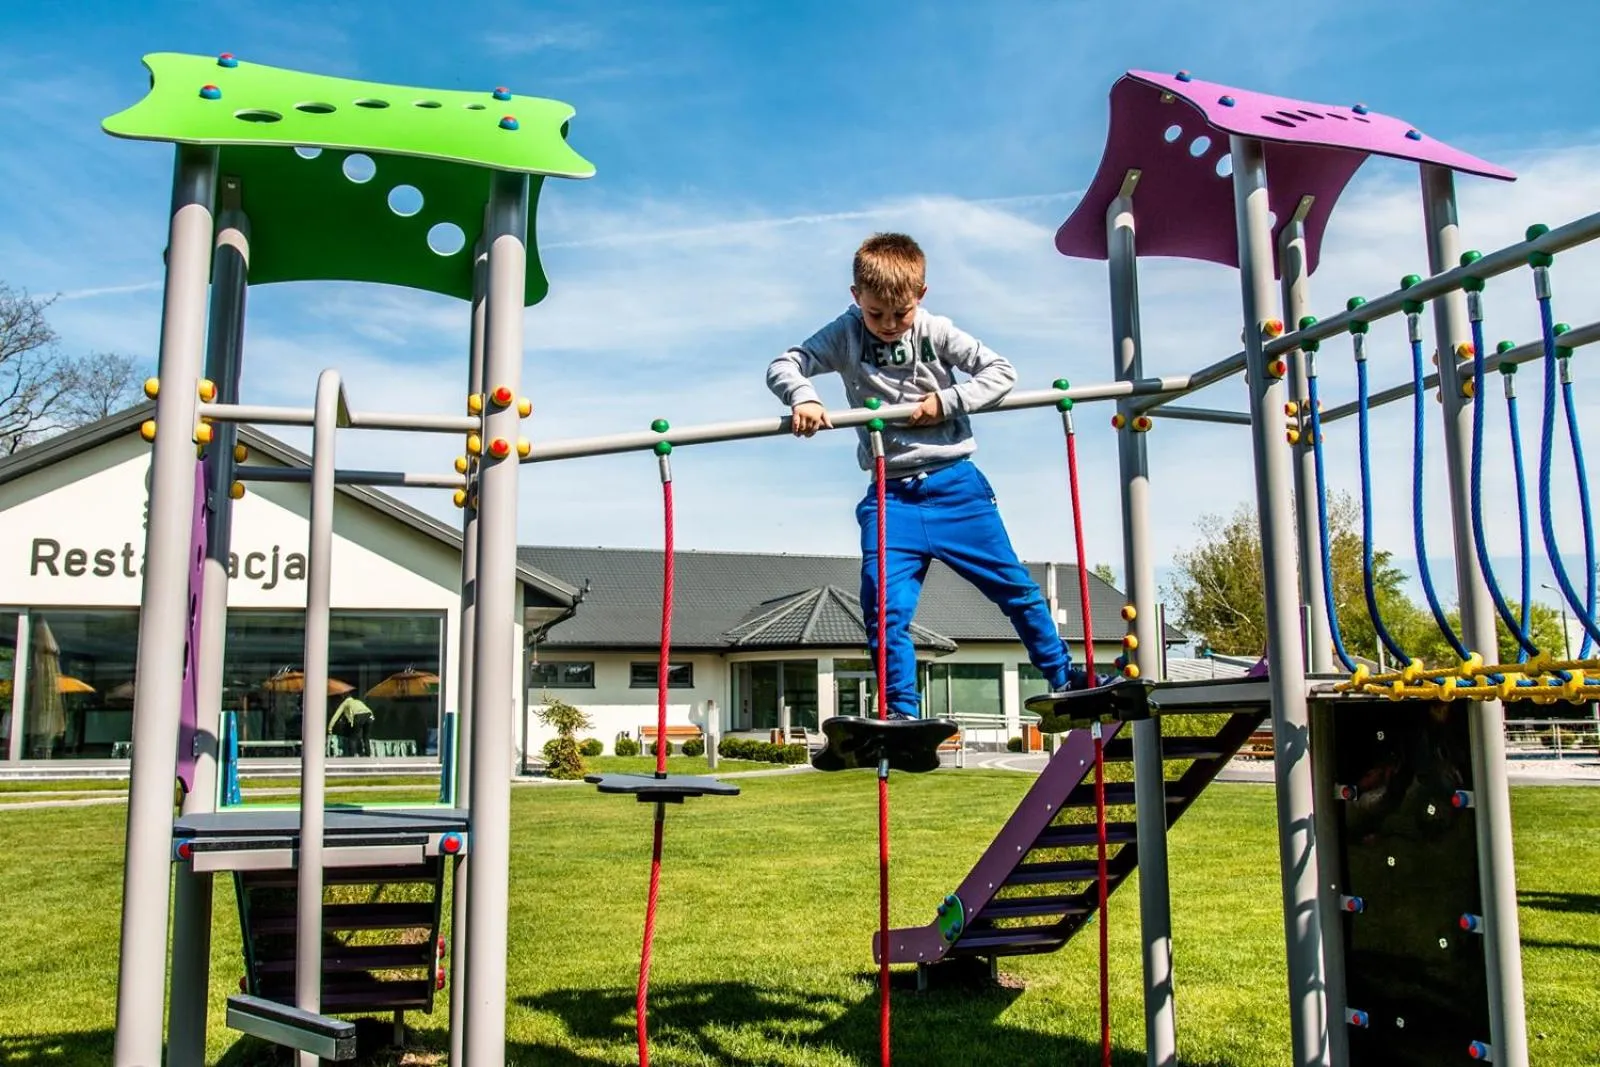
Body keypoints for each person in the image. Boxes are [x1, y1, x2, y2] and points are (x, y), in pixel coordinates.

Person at [766, 232, 1099, 719]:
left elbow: (1000, 372)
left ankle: (1064, 675)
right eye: (874, 313)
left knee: (1017, 590)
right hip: (891, 498)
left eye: (898, 314)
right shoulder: (845, 332)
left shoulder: (935, 330)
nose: (886, 325)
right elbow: (785, 363)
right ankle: (901, 711)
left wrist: (947, 400)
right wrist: (804, 397)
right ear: (856, 297)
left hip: (955, 487)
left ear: (919, 296)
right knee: (885, 611)